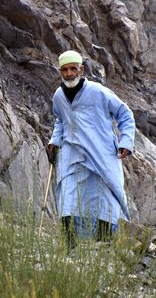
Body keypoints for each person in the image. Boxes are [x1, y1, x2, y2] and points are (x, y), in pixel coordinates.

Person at [48, 50, 135, 248]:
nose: (69, 74)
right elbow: (60, 120)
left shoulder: (98, 92)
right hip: (71, 154)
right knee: (68, 199)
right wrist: (54, 141)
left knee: (104, 200)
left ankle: (102, 249)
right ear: (60, 71)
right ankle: (71, 250)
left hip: (101, 154)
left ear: (82, 69)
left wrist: (126, 142)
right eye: (65, 70)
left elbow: (125, 114)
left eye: (73, 69)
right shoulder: (59, 96)